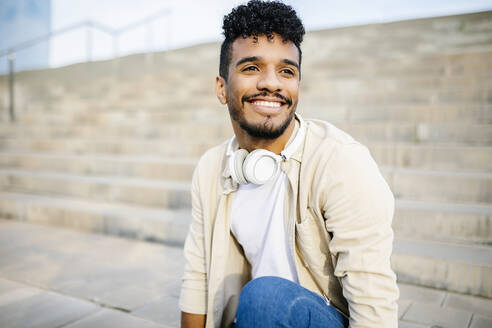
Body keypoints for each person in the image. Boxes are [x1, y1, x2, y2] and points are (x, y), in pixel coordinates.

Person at [179, 1, 399, 327]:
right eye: (251, 68)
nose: (273, 83)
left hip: (323, 316)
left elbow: (373, 303)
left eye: (287, 71)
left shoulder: (340, 161)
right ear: (222, 88)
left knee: (266, 298)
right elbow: (198, 276)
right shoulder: (212, 168)